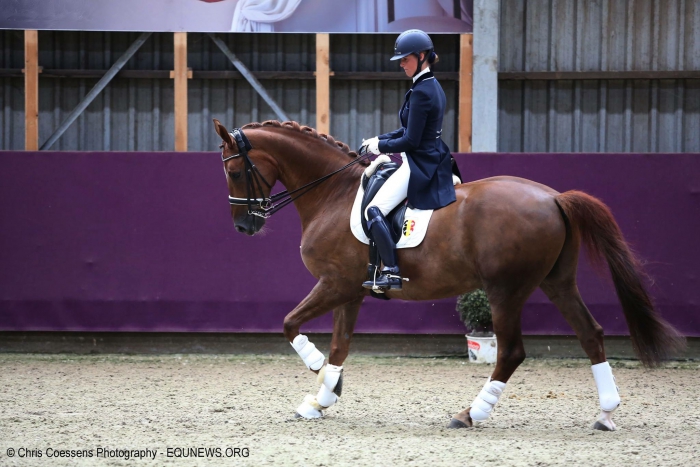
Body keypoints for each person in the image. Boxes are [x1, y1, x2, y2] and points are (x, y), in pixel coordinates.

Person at [359, 29, 457, 292]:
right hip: (430, 155)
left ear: (422, 56)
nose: (401, 64)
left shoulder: (422, 92)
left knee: (373, 210)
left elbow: (411, 141)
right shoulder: (427, 86)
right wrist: (377, 139)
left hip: (419, 162)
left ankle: (391, 271)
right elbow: (406, 130)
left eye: (405, 59)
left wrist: (380, 147)